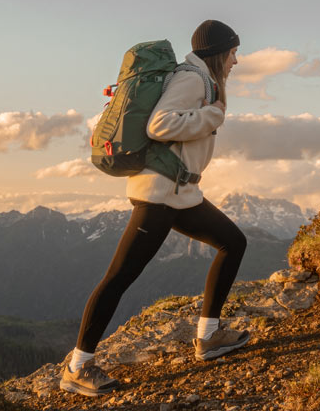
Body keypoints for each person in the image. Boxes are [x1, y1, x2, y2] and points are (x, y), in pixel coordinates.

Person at [60, 20, 250, 397]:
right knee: (120, 277)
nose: (235, 61)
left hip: (179, 193)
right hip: (158, 195)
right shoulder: (193, 79)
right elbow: (159, 125)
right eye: (232, 53)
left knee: (233, 242)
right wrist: (211, 117)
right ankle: (77, 367)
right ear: (217, 53)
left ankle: (209, 337)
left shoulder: (201, 79)